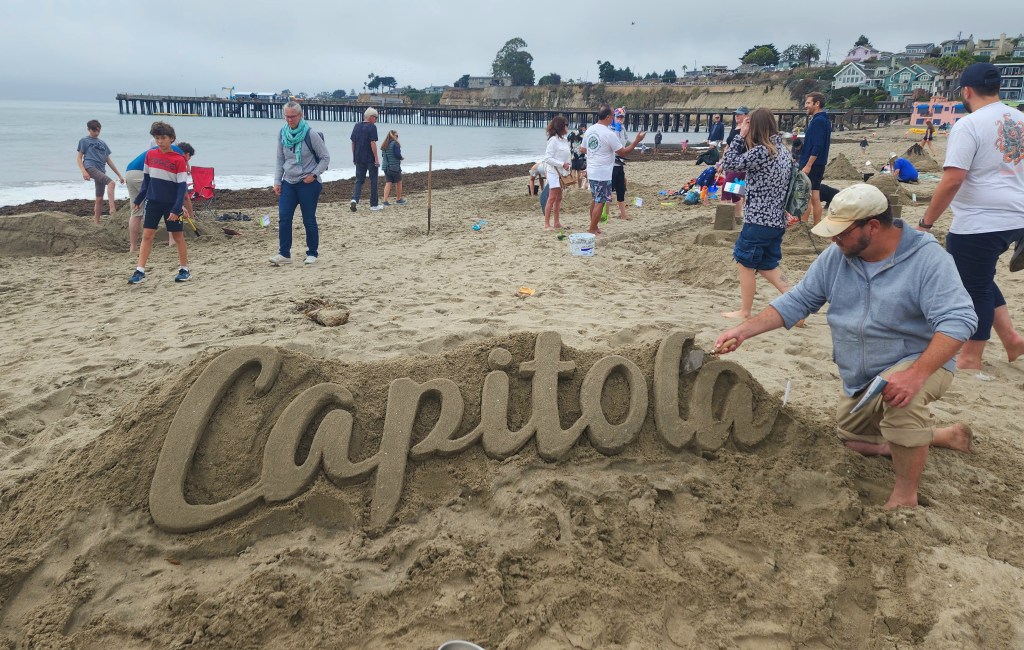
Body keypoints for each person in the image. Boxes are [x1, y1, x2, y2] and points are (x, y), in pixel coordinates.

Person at [716, 184, 977, 509]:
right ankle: (937, 436)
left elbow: (960, 321)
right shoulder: (839, 257)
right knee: (852, 440)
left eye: (841, 234)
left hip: (920, 361)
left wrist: (917, 374)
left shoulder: (926, 259)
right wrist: (744, 330)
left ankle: (905, 495)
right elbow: (798, 300)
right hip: (862, 376)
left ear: (873, 226)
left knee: (899, 401)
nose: (833, 240)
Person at [918, 63, 1024, 370]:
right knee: (981, 276)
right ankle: (1011, 339)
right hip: (1016, 216)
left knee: (971, 286)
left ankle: (970, 356)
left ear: (966, 90)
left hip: (981, 220)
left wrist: (926, 223)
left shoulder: (969, 125)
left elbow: (953, 179)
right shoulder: (1019, 118)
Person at [720, 107, 797, 320]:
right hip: (776, 219)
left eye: (749, 124)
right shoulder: (782, 150)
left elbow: (728, 164)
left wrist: (740, 135)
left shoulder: (763, 151)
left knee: (745, 263)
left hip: (759, 219)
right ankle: (798, 305)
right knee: (767, 265)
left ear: (756, 126)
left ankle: (745, 311)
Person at [127, 121, 191, 285]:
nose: (160, 141)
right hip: (153, 202)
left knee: (178, 236)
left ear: (171, 139)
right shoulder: (150, 155)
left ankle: (184, 269)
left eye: (163, 138)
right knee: (147, 235)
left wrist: (177, 208)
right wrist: (140, 198)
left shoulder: (179, 160)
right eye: (157, 138)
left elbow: (181, 186)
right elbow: (147, 180)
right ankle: (140, 271)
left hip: (171, 205)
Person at [271, 101, 330, 266]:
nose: (289, 120)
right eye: (287, 116)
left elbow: (325, 158)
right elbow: (280, 159)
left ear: (300, 115)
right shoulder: (282, 133)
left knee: (308, 219)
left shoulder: (310, 134)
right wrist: (277, 181)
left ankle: (312, 253)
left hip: (308, 183)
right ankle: (284, 254)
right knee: (284, 217)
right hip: (288, 182)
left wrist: (314, 174)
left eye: (292, 116)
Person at [581, 104, 645, 235]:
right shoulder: (608, 134)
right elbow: (623, 152)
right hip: (602, 172)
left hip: (592, 170)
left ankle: (593, 225)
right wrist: (637, 141)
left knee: (595, 199)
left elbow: (582, 149)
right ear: (609, 117)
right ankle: (592, 228)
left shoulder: (590, 130)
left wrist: (595, 152)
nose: (615, 119)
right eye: (613, 116)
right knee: (601, 200)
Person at [125, 142, 195, 252]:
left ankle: (132, 247)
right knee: (169, 204)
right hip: (142, 173)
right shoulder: (176, 154)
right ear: (186, 154)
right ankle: (172, 242)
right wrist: (183, 208)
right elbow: (184, 194)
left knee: (136, 212)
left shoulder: (164, 149)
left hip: (129, 172)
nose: (186, 164)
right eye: (188, 160)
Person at [76, 120, 125, 225]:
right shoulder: (84, 141)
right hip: (90, 167)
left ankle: (96, 223)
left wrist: (119, 175)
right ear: (89, 129)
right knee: (111, 183)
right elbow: (79, 158)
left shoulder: (102, 143)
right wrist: (84, 171)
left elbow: (108, 160)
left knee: (99, 198)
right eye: (94, 130)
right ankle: (112, 210)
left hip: (101, 170)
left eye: (98, 130)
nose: (97, 133)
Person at [798, 92, 832, 225]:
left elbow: (817, 145)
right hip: (820, 163)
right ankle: (817, 225)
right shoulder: (825, 120)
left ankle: (804, 225)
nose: (805, 106)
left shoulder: (818, 121)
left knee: (806, 195)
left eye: (808, 103)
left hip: (812, 163)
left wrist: (808, 164)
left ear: (816, 104)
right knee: (815, 196)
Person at [720, 107, 750, 222]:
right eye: (735, 114)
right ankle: (738, 217)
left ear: (746, 115)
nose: (737, 116)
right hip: (729, 163)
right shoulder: (735, 128)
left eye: (739, 114)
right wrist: (722, 161)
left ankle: (723, 219)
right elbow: (728, 146)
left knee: (726, 187)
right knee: (736, 191)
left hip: (740, 164)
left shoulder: (747, 129)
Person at [542, 115, 571, 230]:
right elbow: (547, 158)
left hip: (562, 173)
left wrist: (568, 166)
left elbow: (567, 156)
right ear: (561, 126)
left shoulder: (564, 140)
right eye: (566, 125)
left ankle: (557, 222)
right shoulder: (553, 140)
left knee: (559, 198)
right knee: (552, 197)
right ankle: (546, 224)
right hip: (553, 172)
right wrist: (561, 164)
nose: (568, 127)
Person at [350, 107, 381, 212]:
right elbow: (373, 143)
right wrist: (376, 158)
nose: (376, 120)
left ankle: (354, 199)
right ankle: (374, 204)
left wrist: (354, 156)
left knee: (359, 180)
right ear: (371, 117)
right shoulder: (372, 127)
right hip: (370, 158)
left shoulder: (357, 126)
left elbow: (353, 143)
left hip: (358, 157)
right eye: (376, 118)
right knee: (373, 181)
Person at [611, 107, 632, 221]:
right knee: (609, 190)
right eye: (618, 116)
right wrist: (617, 130)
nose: (620, 119)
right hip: (612, 163)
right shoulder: (611, 128)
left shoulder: (622, 128)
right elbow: (615, 143)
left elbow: (623, 142)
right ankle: (606, 215)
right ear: (614, 117)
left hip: (620, 163)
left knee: (621, 189)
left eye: (622, 117)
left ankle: (623, 214)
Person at [380, 129, 405, 206]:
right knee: (399, 182)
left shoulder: (384, 145)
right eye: (396, 136)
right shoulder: (395, 144)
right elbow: (397, 154)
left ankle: (385, 200)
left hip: (386, 167)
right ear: (393, 136)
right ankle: (398, 199)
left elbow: (383, 156)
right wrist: (401, 158)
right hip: (394, 166)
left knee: (388, 183)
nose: (397, 137)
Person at [568, 123, 587, 188]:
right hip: (580, 156)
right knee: (579, 171)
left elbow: (568, 139)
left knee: (573, 170)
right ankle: (579, 186)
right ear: (583, 127)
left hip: (573, 155)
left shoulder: (572, 134)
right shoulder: (583, 135)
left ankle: (573, 186)